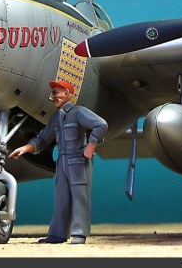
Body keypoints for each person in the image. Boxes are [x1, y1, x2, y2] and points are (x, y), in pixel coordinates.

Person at [8, 79, 108, 245]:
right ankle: (57, 234)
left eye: (55, 93)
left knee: (80, 197)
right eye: (52, 93)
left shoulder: (79, 112)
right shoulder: (56, 117)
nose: (52, 97)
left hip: (78, 161)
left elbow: (101, 125)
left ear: (67, 93)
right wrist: (25, 148)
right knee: (61, 198)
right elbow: (42, 139)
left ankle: (79, 233)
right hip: (62, 162)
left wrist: (90, 146)